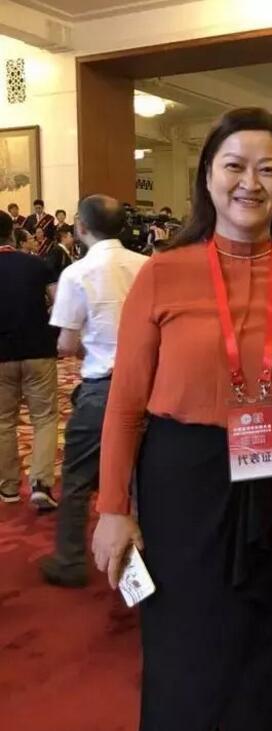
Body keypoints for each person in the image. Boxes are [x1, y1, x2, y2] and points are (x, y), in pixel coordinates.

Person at [91, 107, 272, 731]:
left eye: (268, 168)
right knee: (178, 639)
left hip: (270, 471)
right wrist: (113, 508)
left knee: (262, 640)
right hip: (179, 476)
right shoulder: (162, 273)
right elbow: (125, 404)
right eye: (234, 165)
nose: (249, 182)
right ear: (207, 176)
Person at [39, 195, 147, 588]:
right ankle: (146, 562)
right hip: (149, 387)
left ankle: (69, 561)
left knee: (78, 477)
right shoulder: (147, 266)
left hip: (102, 389)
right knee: (141, 478)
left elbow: (67, 344)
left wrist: (94, 343)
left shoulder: (77, 273)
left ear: (81, 227)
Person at [0, 210, 59, 510]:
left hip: (1, 354)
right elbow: (59, 302)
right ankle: (41, 484)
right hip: (39, 349)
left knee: (3, 421)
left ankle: (8, 487)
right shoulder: (36, 264)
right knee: (45, 418)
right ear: (12, 233)